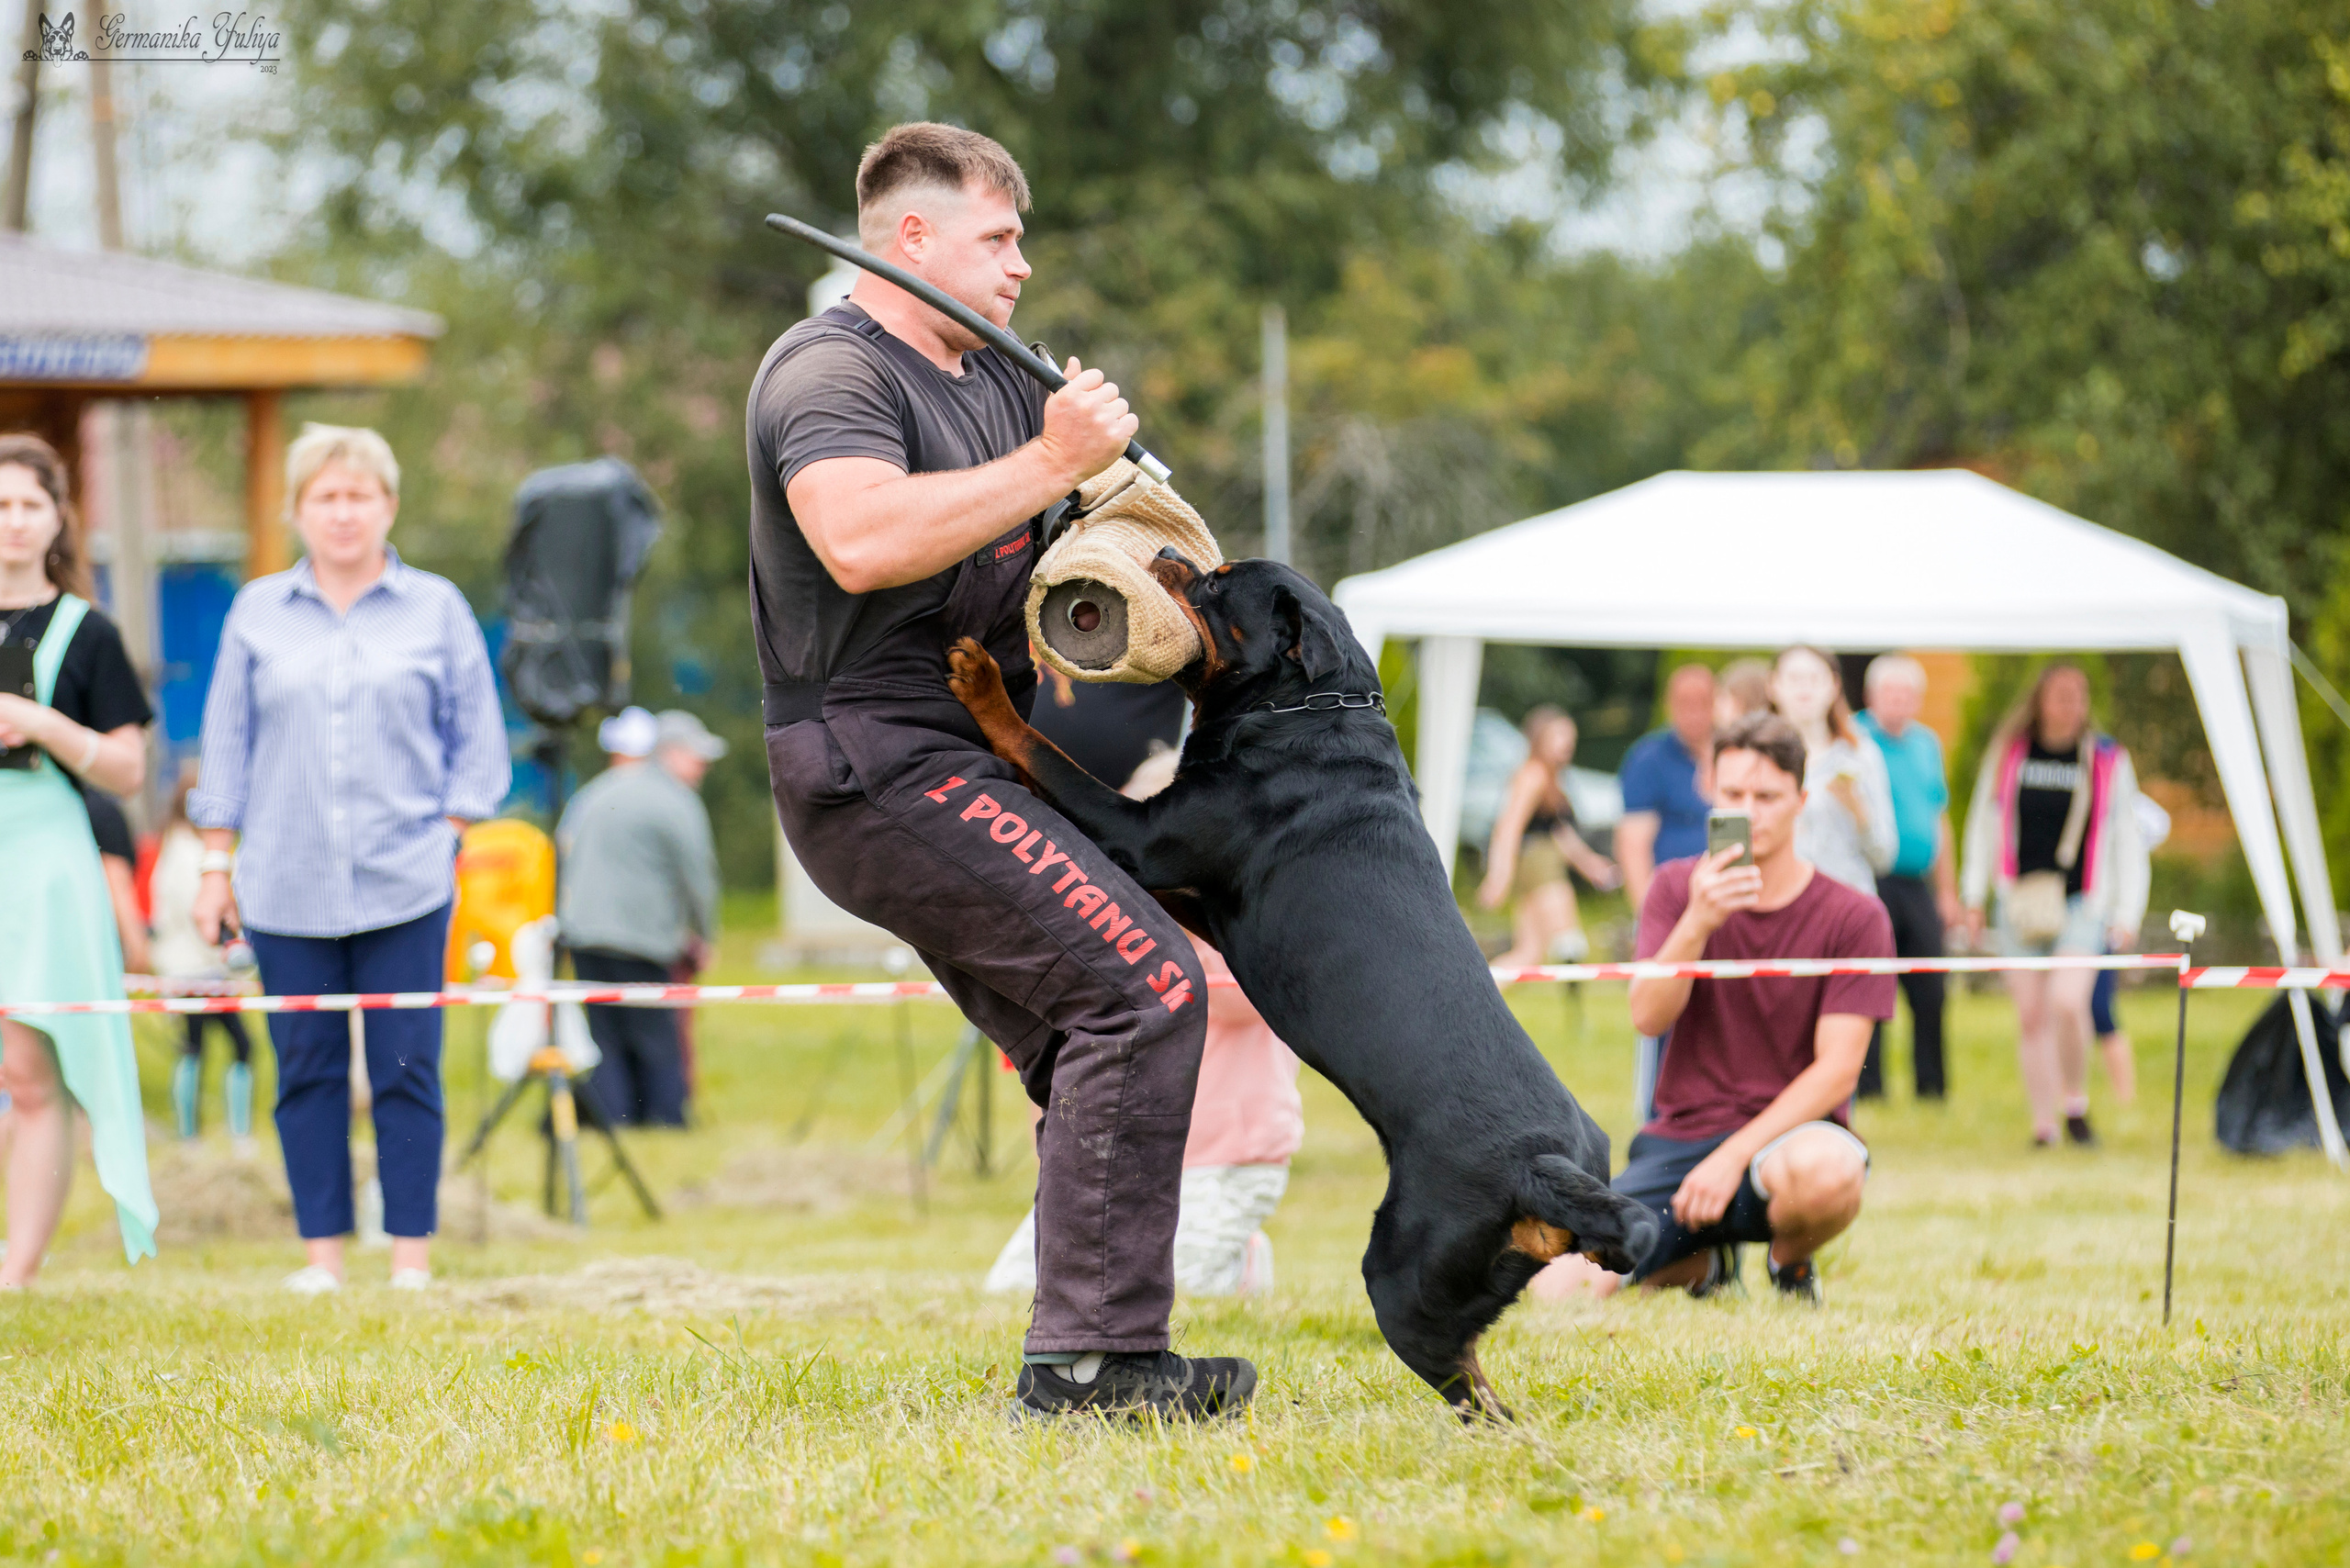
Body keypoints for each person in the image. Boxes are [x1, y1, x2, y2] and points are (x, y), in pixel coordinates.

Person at [748, 123, 1247, 1419]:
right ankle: (1085, 1367)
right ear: (911, 238)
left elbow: (1033, 577)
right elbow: (858, 541)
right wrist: (1049, 464)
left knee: (1090, 1027)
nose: (1023, 266)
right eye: (999, 238)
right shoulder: (827, 371)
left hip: (961, 744)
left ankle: (1114, 1356)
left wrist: (1115, 536)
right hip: (870, 753)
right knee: (1141, 991)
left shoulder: (991, 383)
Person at [192, 422, 509, 1293]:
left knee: (407, 1065)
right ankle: (321, 1259)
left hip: (407, 881)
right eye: (325, 497)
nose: (342, 513)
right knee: (306, 1069)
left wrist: (447, 835)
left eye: (358, 496)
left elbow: (479, 745)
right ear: (298, 511)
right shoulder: (257, 612)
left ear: (388, 506)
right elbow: (225, 743)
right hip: (282, 885)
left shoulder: (437, 609)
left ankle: (410, 1257)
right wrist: (213, 863)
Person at [1534, 713, 1893, 1305]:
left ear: (1800, 801)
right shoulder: (1677, 889)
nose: (1749, 811)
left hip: (1790, 1143)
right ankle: (1702, 1264)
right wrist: (1698, 922)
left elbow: (1837, 1070)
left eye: (1767, 796)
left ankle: (1789, 1260)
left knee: (1832, 1173)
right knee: (1556, 1291)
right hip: (1680, 1142)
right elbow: (1648, 1018)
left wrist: (1733, 1157)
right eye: (1733, 795)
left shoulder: (1855, 915)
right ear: (1712, 795)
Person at [988, 747, 1304, 1300]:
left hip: (1224, 1161)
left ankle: (1242, 1261)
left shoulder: (1253, 920)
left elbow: (1238, 998)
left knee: (1180, 1293)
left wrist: (1168, 927)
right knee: (1013, 1288)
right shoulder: (1108, 918)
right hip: (1118, 1163)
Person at [0, 433, 160, 1282]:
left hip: (44, 854)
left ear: (56, 516)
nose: (13, 522)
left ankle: (17, 1268)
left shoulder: (87, 633)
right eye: (0, 506)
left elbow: (130, 767)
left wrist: (42, 725)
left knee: (30, 1067)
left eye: (28, 504)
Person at [1959, 664, 2148, 1148]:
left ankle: (2075, 1104)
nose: (2070, 704)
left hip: (2082, 901)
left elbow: (2128, 835)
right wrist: (1973, 895)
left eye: (2078, 695)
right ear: (2040, 700)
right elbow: (1983, 821)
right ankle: (2044, 1127)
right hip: (2019, 900)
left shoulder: (2107, 759)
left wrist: (2128, 912)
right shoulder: (2010, 753)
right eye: (2060, 695)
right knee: (2031, 1015)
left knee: (2068, 1002)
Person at [556, 705, 724, 1127]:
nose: (702, 767)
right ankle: (667, 1120)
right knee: (655, 1035)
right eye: (696, 756)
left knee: (606, 1036)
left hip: (583, 932)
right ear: (670, 753)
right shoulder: (677, 801)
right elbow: (699, 877)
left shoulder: (600, 789)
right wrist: (705, 936)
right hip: (640, 939)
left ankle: (617, 1118)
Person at [1854, 655, 1961, 1101]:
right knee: (1871, 986)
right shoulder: (1854, 738)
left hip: (1917, 883)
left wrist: (1948, 890)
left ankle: (1931, 1086)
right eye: (1889, 693)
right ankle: (1869, 1085)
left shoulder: (1926, 744)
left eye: (1905, 694)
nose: (1898, 701)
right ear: (1872, 696)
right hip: (1869, 880)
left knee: (1930, 987)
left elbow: (1939, 818)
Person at [1618, 664, 1718, 1122]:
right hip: (1671, 908)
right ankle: (1656, 1116)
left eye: (1703, 703)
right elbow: (1634, 843)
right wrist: (1649, 914)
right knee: (1659, 1015)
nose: (1694, 713)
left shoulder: (1732, 753)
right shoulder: (1648, 759)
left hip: (1726, 904)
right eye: (1685, 703)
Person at [151, 777, 257, 1144]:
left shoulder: (177, 847)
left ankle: (196, 1134)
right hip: (198, 971)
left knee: (197, 1047)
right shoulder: (185, 854)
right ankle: (219, 1134)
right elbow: (200, 917)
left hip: (196, 969)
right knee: (235, 1047)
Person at [1478, 705, 1619, 967]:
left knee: (1528, 954)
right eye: (1559, 736)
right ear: (1539, 739)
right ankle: (1574, 996)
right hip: (1538, 863)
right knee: (1569, 942)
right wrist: (1499, 876)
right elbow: (1508, 828)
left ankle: (1476, 998)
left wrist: (1591, 865)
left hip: (1539, 862)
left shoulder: (1554, 778)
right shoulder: (1532, 775)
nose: (1567, 744)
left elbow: (1560, 831)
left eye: (1570, 737)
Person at [1772, 644, 1897, 899]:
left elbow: (1885, 856)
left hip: (1849, 906)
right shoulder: (1757, 758)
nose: (1804, 688)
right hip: (1782, 909)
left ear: (1834, 686)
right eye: (1794, 678)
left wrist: (1859, 812)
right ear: (1773, 686)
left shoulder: (1860, 756)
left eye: (1815, 678)